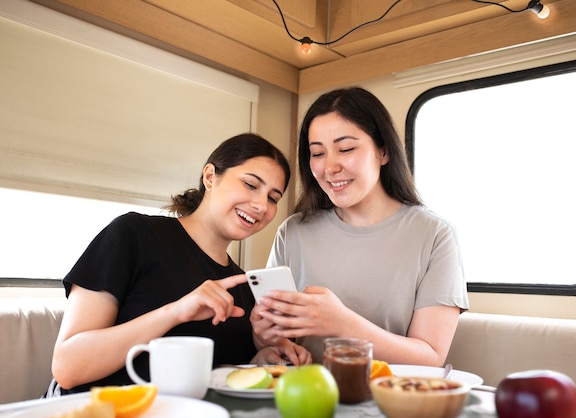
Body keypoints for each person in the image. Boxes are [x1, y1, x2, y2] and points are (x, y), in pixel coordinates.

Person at [49, 133, 311, 396]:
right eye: (251, 185)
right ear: (210, 176)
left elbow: (212, 381)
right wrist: (176, 312)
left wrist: (259, 361)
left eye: (273, 198)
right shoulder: (134, 235)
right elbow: (67, 367)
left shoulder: (242, 287)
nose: (260, 205)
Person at [251, 87, 469, 365]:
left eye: (346, 149)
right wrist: (268, 340)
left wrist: (342, 323)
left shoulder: (435, 235)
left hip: (388, 399)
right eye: (317, 153)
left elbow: (430, 357)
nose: (329, 167)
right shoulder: (293, 231)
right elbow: (277, 337)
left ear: (384, 151)